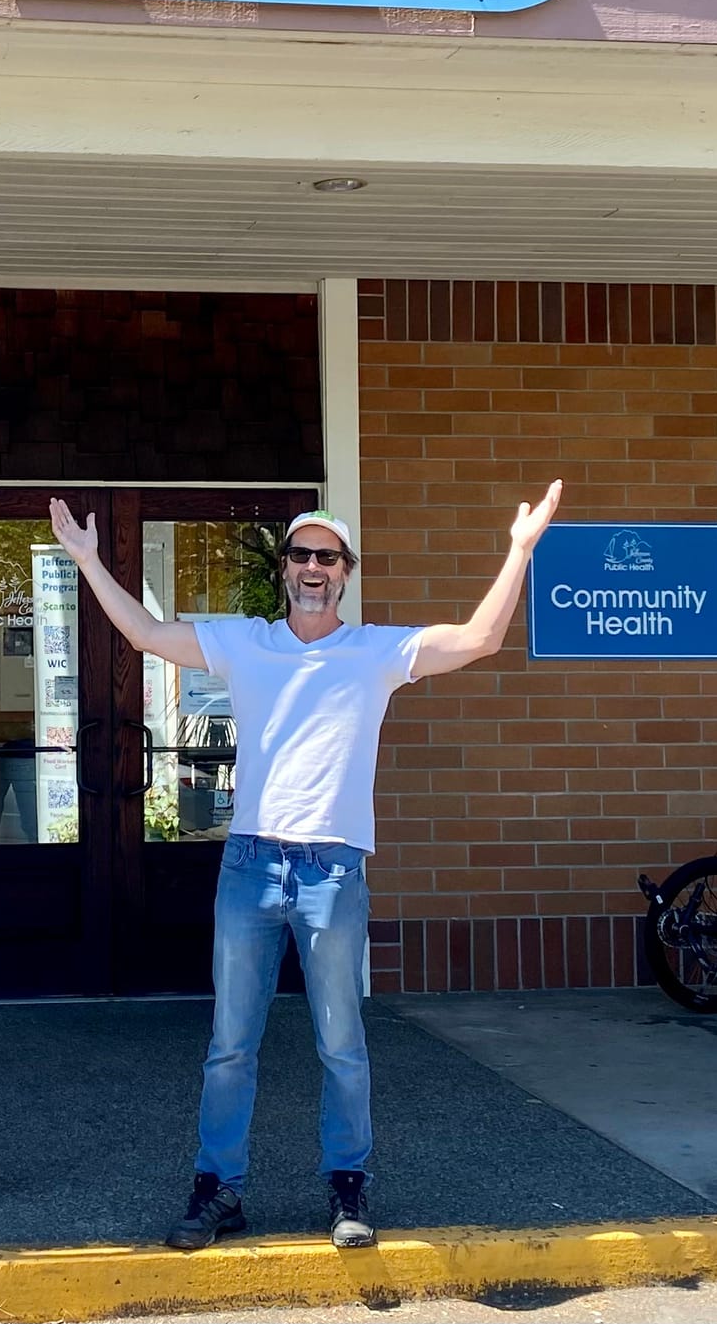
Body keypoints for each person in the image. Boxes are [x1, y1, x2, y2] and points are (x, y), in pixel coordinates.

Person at [48, 483, 562, 1252]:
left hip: (332, 871)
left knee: (341, 1044)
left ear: (345, 572)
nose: (313, 567)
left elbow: (480, 638)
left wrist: (520, 549)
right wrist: (89, 560)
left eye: (328, 556)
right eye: (301, 554)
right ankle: (218, 1188)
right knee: (230, 1045)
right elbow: (148, 633)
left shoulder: (376, 651)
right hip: (250, 864)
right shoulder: (245, 642)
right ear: (284, 567)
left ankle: (347, 1186)